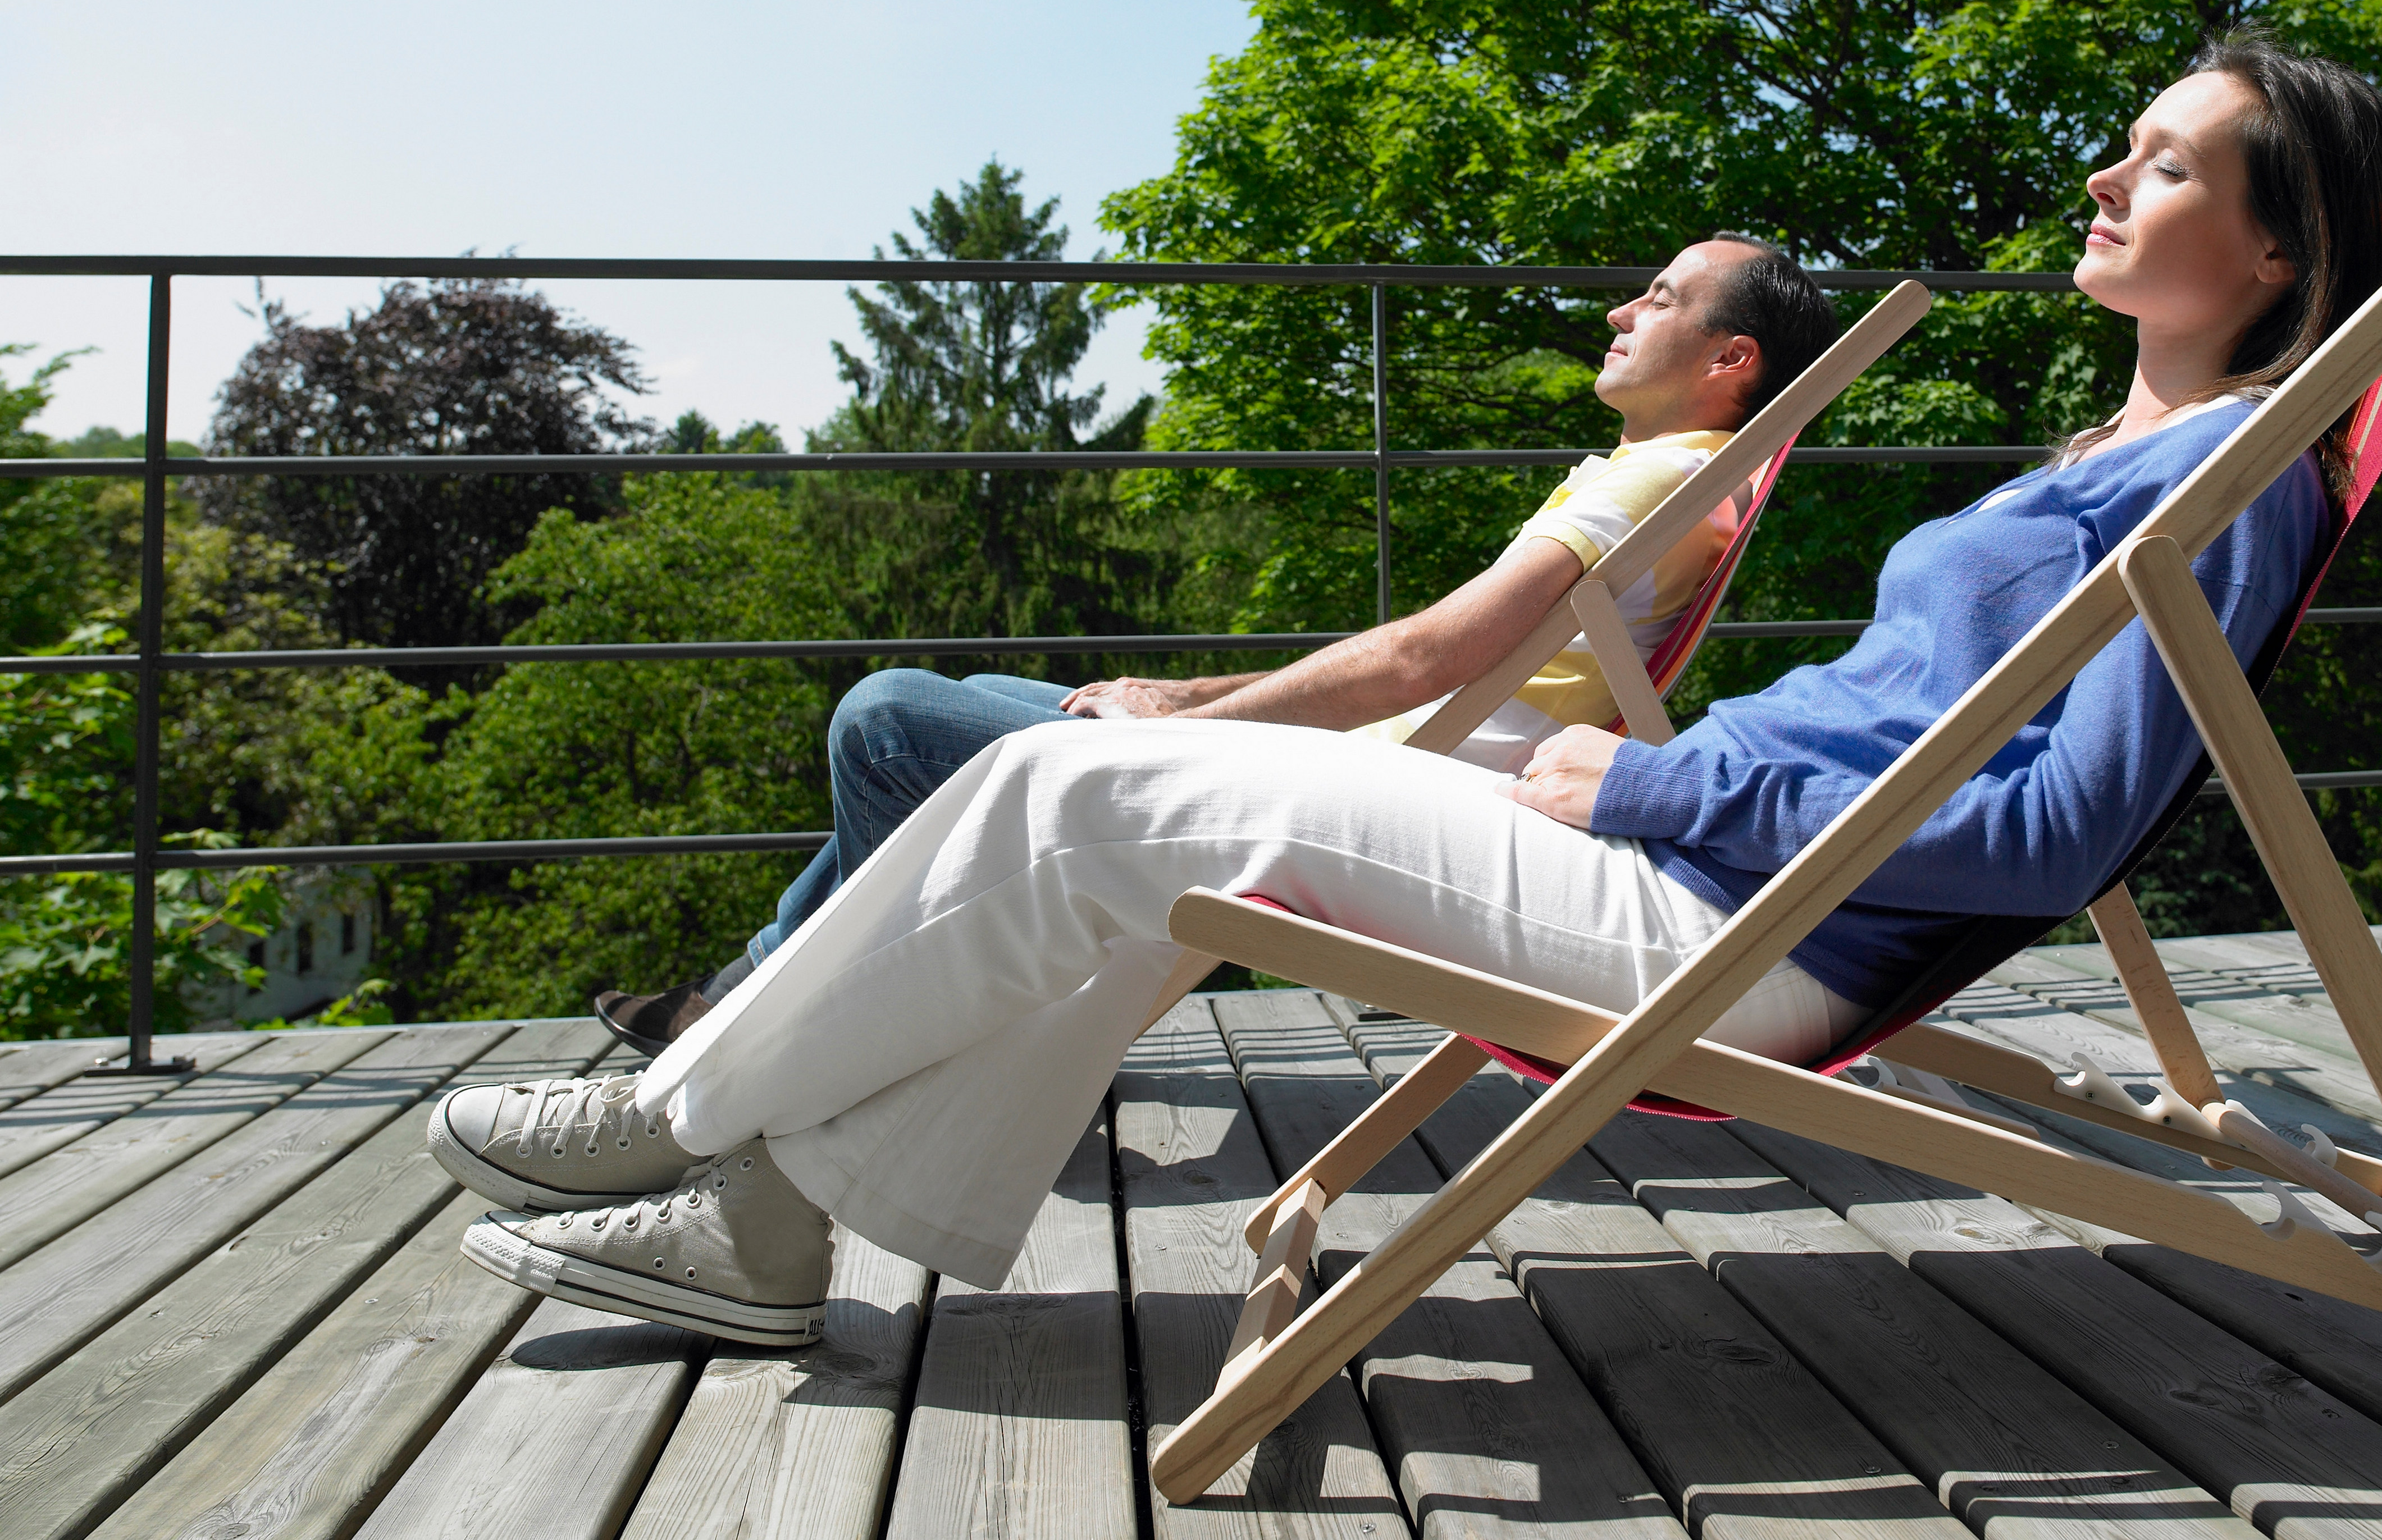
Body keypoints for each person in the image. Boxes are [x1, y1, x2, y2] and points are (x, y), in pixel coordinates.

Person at [428, 34, 2382, 1352]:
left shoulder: (2222, 486)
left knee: (1081, 794)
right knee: (1126, 823)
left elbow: (2059, 833)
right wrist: (1655, 781)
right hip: (1697, 855)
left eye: (2163, 164)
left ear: (2275, 246)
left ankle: (690, 1129)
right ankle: (761, 1210)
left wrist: (1649, 795)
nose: (2105, 175)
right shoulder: (2109, 454)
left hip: (1731, 915)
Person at [588, 234, 1845, 1054]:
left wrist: (1180, 735)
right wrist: (1183, 686)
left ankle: (781, 1015)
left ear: (1730, 357)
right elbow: (1424, 654)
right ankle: (775, 1002)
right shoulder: (1672, 475)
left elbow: (1422, 662)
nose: (1621, 306)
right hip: (1372, 758)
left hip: (1371, 787)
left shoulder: (1645, 484)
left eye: (1663, 298)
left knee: (890, 718)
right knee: (962, 703)